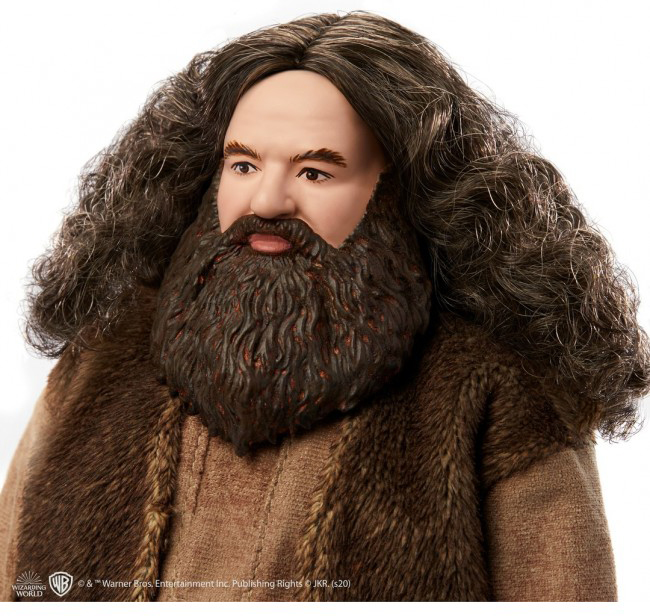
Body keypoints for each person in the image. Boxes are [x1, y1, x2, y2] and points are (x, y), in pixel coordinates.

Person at [1, 10, 648, 602]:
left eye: (315, 172)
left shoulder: (499, 392)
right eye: (243, 165)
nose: (267, 201)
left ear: (397, 192)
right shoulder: (99, 361)